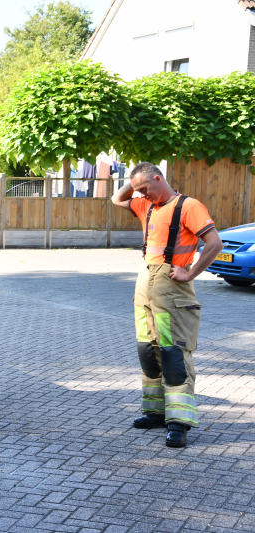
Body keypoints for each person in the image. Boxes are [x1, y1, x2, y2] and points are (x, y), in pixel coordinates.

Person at [112, 162, 223, 448]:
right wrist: (133, 179)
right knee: (148, 349)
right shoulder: (146, 206)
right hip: (145, 283)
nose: (142, 195)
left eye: (145, 189)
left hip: (173, 287)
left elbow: (214, 243)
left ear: (159, 178)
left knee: (174, 352)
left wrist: (190, 272)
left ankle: (179, 422)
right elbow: (117, 198)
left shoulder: (189, 206)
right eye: (139, 191)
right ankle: (155, 412)